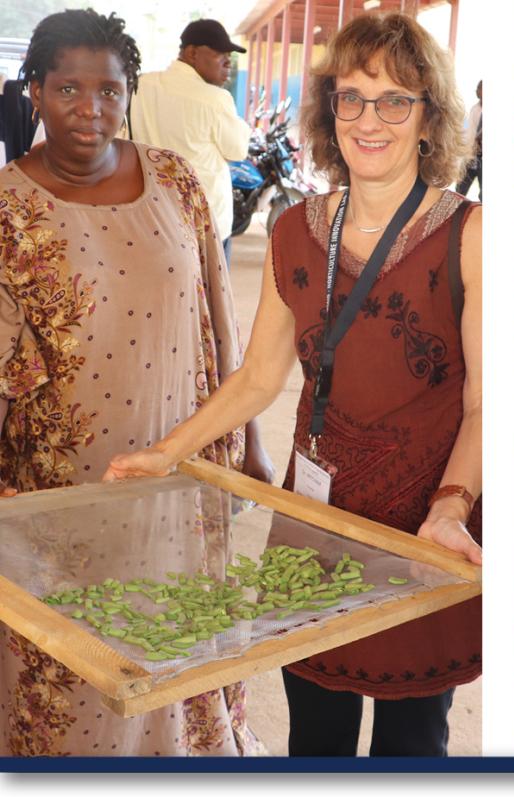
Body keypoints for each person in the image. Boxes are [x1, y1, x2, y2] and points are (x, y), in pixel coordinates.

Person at [106, 11, 483, 757]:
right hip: (315, 519)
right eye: (351, 97)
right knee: (315, 730)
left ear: (429, 119)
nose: (369, 120)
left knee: (414, 739)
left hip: (423, 528)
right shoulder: (292, 232)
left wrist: (452, 505)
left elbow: (484, 402)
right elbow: (257, 379)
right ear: (328, 109)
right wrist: (167, 451)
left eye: (394, 100)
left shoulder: (467, 234)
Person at [0, 9, 263, 756]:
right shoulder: (6, 208)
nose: (91, 109)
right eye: (68, 89)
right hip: (65, 488)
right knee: (78, 661)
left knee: (176, 637)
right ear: (34, 94)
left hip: (183, 470)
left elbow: (219, 311)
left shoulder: (175, 178)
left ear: (130, 94)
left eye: (109, 91)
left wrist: (244, 439)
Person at [128, 19, 250, 258]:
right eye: (221, 54)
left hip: (153, 218)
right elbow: (238, 150)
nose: (228, 63)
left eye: (230, 57)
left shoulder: (140, 85)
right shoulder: (215, 99)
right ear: (192, 52)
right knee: (209, 295)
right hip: (204, 225)